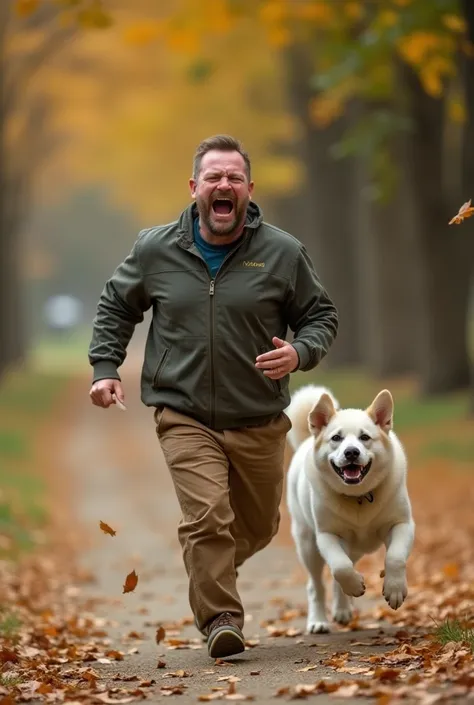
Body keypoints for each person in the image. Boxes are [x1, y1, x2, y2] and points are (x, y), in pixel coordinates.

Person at [88, 134, 338, 659]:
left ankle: (210, 567)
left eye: (234, 177)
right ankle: (222, 619)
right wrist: (106, 368)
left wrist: (299, 353)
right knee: (207, 518)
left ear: (249, 188)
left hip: (259, 417)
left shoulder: (282, 252)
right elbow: (116, 306)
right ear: (195, 188)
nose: (223, 185)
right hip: (183, 412)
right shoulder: (155, 248)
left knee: (261, 525)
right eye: (213, 177)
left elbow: (320, 316)